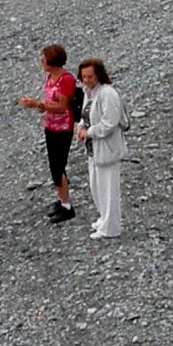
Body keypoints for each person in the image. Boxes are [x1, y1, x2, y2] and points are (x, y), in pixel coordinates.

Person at [18, 44, 82, 224]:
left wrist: (38, 105)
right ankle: (62, 200)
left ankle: (67, 206)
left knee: (58, 165)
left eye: (43, 60)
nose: (41, 62)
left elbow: (62, 106)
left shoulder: (65, 80)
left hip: (63, 127)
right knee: (54, 165)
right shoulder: (51, 77)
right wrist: (41, 107)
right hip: (51, 125)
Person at [73, 58, 127, 239]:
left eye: (90, 76)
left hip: (107, 148)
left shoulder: (107, 93)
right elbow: (86, 115)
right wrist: (80, 127)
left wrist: (89, 132)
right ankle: (104, 218)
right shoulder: (90, 92)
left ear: (99, 75)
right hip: (94, 149)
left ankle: (111, 227)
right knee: (97, 186)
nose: (86, 80)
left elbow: (109, 122)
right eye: (84, 76)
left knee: (108, 188)